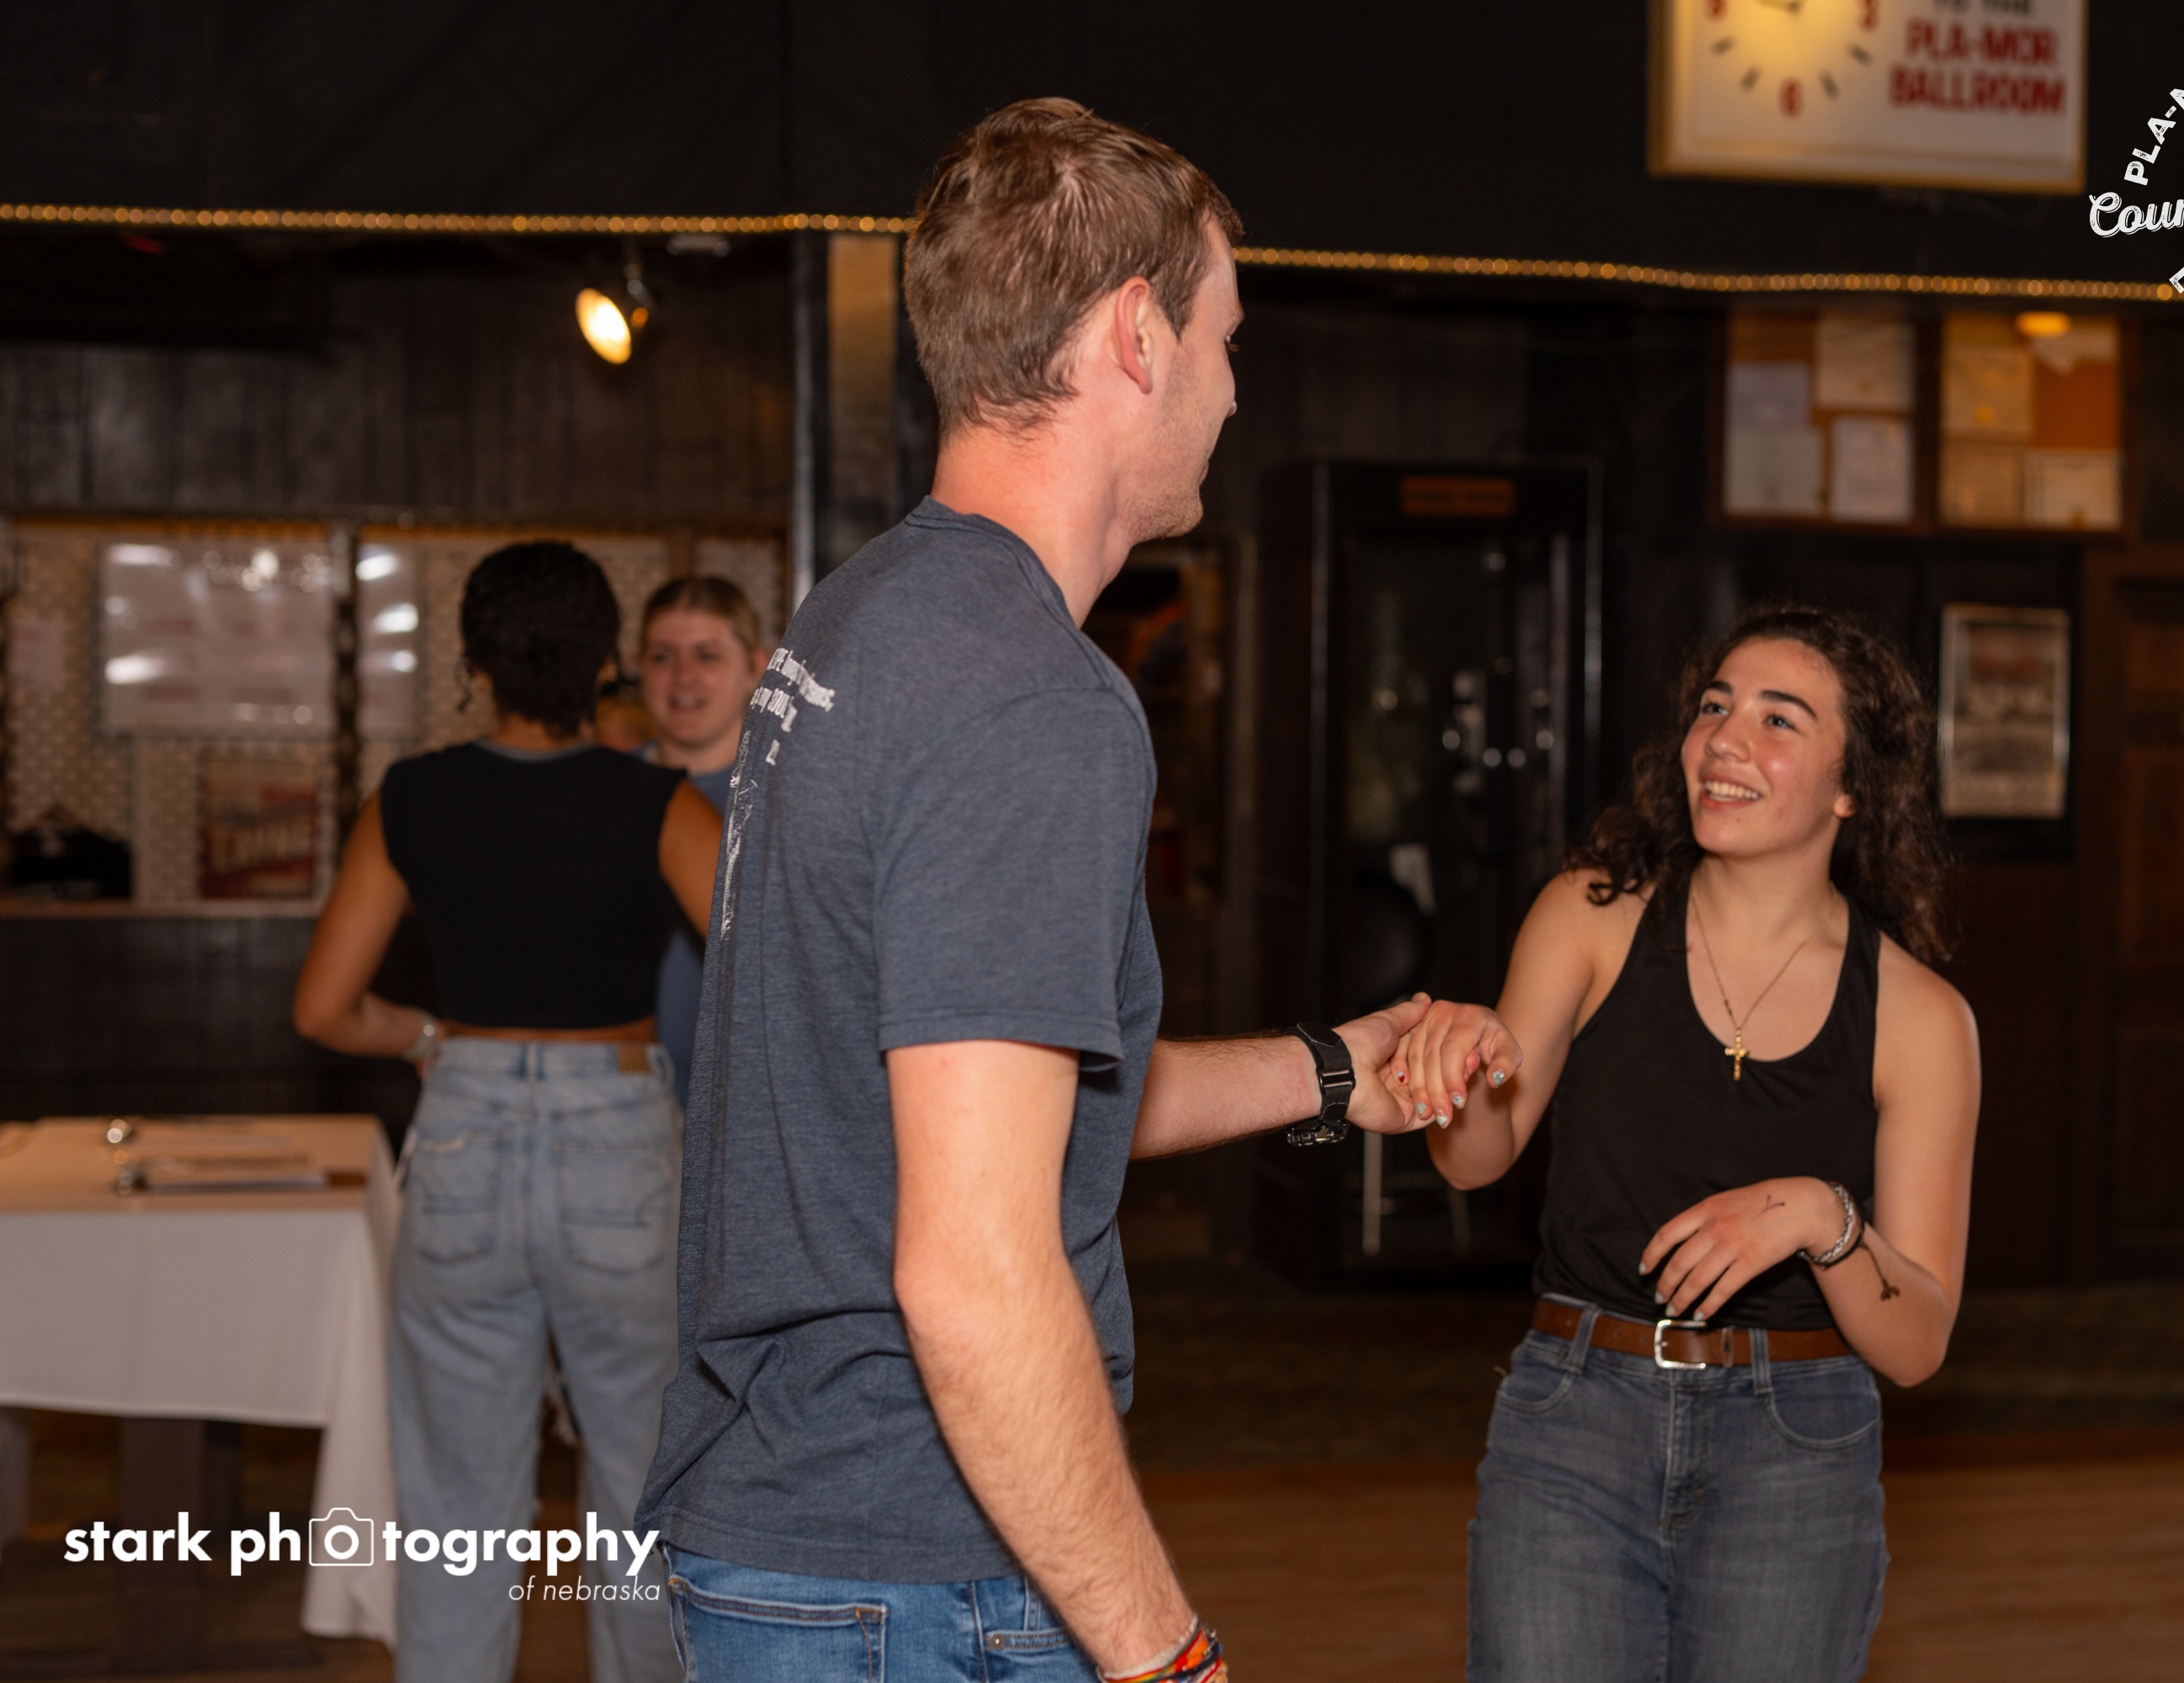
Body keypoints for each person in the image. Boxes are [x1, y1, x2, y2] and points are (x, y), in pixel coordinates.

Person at [635, 98, 1437, 1683]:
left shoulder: (867, 613)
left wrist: (1337, 1070)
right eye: (1224, 338)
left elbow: (978, 1099)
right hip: (911, 1572)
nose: (1231, 389)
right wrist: (1162, 1653)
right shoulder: (1031, 697)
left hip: (799, 1529)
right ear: (1137, 333)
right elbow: (973, 1265)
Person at [1390, 606, 1981, 1683]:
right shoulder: (1591, 916)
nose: (1725, 741)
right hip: (1577, 1415)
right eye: (1716, 706)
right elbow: (1477, 1157)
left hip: (1799, 1446)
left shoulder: (1920, 1017)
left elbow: (1918, 1341)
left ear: (1853, 786)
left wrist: (1825, 1218)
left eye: (1779, 719)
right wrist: (1457, 1073)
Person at [293, 540, 722, 1683]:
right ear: (606, 663)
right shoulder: (662, 805)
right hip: (620, 1146)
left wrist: (422, 1037)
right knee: (641, 1494)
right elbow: (780, 969)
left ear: (473, 664)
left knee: (456, 1507)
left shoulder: (411, 799)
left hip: (465, 1135)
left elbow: (324, 1008)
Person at [635, 576, 770, 1108]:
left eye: (707, 656)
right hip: (622, 1106)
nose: (683, 677)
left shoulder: (788, 798)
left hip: (740, 1104)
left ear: (756, 668)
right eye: (662, 657)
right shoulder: (603, 791)